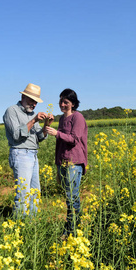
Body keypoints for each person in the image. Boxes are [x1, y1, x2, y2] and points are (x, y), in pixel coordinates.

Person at [3, 83, 54, 217]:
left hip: (33, 154)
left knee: (35, 192)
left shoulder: (32, 114)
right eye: (32, 100)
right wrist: (34, 119)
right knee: (23, 193)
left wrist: (46, 125)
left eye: (36, 102)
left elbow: (40, 137)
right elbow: (16, 135)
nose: (34, 105)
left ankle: (31, 224)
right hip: (20, 153)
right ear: (24, 96)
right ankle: (19, 225)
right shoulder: (12, 111)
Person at [45, 88, 88, 238]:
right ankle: (74, 228)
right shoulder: (62, 119)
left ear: (73, 104)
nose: (62, 104)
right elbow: (60, 144)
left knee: (72, 197)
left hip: (74, 162)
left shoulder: (78, 118)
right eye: (61, 101)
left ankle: (71, 231)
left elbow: (74, 139)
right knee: (69, 197)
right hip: (63, 163)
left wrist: (56, 133)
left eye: (66, 102)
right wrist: (57, 166)